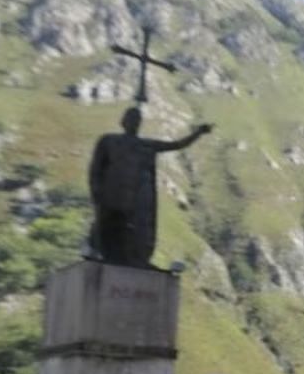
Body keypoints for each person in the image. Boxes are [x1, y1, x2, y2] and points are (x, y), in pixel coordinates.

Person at [87, 107, 211, 268]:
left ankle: (132, 259)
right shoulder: (108, 141)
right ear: (123, 121)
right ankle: (97, 252)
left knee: (130, 233)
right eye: (131, 118)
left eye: (137, 120)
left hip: (132, 199)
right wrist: (96, 190)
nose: (134, 122)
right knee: (104, 228)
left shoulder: (145, 145)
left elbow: (177, 145)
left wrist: (198, 133)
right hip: (111, 195)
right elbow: (96, 168)